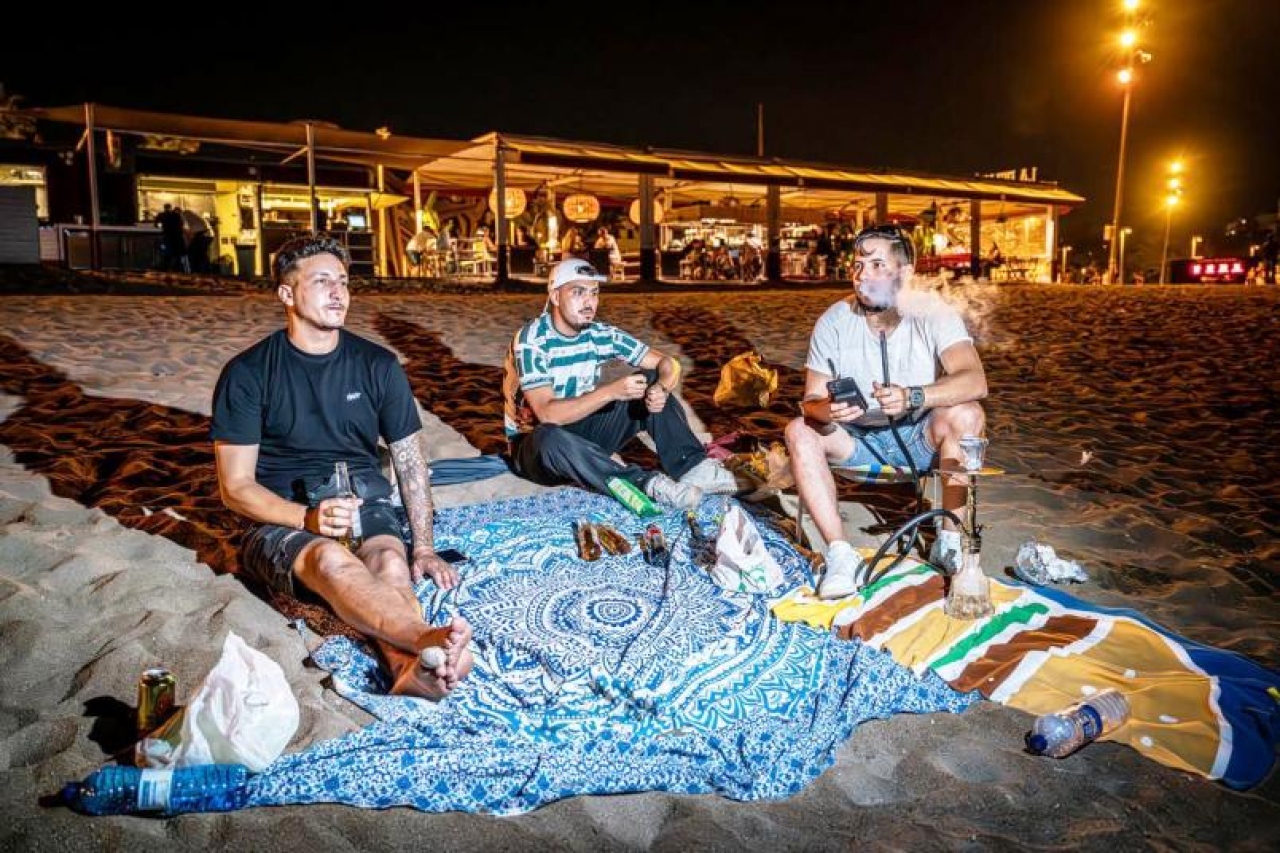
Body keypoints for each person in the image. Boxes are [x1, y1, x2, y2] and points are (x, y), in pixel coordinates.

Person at [211, 234, 472, 699]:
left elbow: (411, 464)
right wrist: (305, 518)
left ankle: (406, 666)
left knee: (391, 561)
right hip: (281, 515)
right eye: (322, 281)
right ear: (287, 294)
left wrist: (425, 548)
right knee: (331, 558)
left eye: (345, 281)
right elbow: (234, 488)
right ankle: (425, 639)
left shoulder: (377, 365)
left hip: (363, 500)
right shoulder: (248, 373)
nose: (339, 292)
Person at [784, 224, 988, 599]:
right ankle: (841, 555)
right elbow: (809, 401)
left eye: (878, 264)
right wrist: (829, 409)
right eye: (858, 264)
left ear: (905, 274)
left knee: (968, 413)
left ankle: (949, 540)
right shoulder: (834, 320)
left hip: (917, 435)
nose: (863, 275)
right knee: (798, 430)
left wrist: (914, 396)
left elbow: (976, 381)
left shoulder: (932, 313)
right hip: (856, 439)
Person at [503, 259, 739, 510]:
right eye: (578, 292)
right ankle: (645, 484)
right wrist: (610, 392)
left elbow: (668, 363)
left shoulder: (598, 333)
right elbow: (547, 414)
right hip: (536, 451)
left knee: (648, 379)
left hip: (583, 434)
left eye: (594, 293)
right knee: (548, 435)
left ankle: (694, 467)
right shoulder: (532, 340)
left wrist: (662, 387)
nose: (588, 302)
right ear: (555, 296)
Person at [155, 203, 186, 271]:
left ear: (164, 208)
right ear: (170, 207)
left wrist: (161, 226)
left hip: (167, 235)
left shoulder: (161, 214)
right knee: (177, 253)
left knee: (167, 253)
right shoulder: (176, 215)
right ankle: (178, 268)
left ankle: (166, 268)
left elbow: (156, 224)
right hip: (177, 236)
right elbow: (181, 223)